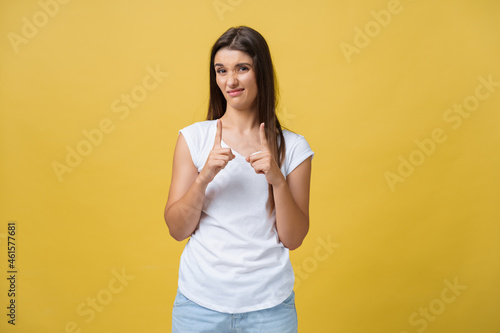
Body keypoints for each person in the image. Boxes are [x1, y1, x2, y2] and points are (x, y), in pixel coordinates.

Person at [164, 26, 314, 333]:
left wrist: (277, 180)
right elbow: (177, 229)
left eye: (241, 68)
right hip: (199, 305)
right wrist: (204, 177)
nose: (230, 81)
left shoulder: (294, 147)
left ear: (261, 72)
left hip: (270, 308)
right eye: (221, 70)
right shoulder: (193, 138)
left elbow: (294, 238)